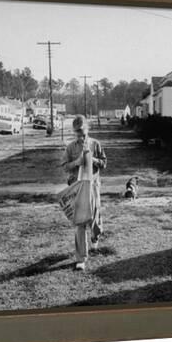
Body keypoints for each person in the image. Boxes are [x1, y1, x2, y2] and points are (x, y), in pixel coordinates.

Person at [62, 114, 107, 270]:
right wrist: (77, 162)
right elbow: (65, 166)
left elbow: (104, 163)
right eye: (77, 132)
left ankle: (96, 235)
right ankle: (81, 258)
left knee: (95, 217)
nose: (80, 135)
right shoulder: (70, 147)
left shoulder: (95, 144)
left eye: (82, 131)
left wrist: (93, 159)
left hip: (93, 186)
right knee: (80, 222)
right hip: (78, 188)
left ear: (87, 128)